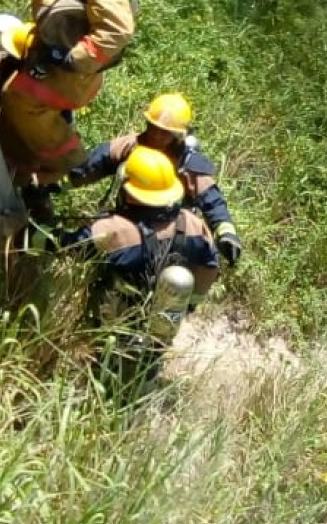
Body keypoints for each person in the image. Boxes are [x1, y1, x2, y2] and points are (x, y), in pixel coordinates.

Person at [33, 146, 220, 379]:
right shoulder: (193, 224)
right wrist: (190, 304)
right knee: (145, 366)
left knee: (107, 367)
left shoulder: (114, 231)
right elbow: (210, 265)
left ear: (130, 193)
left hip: (116, 318)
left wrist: (26, 231)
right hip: (163, 318)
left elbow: (61, 244)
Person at [0, 0, 136, 216]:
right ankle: (19, 168)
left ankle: (56, 166)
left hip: (70, 76)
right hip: (48, 53)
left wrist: (72, 58)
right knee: (2, 82)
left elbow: (118, 29)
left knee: (19, 102)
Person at [66, 92, 244, 267]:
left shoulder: (188, 162)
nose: (156, 136)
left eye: (165, 132)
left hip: (170, 229)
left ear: (178, 135)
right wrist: (58, 183)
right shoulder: (129, 147)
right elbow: (88, 168)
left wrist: (226, 232)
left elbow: (212, 201)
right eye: (153, 127)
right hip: (129, 220)